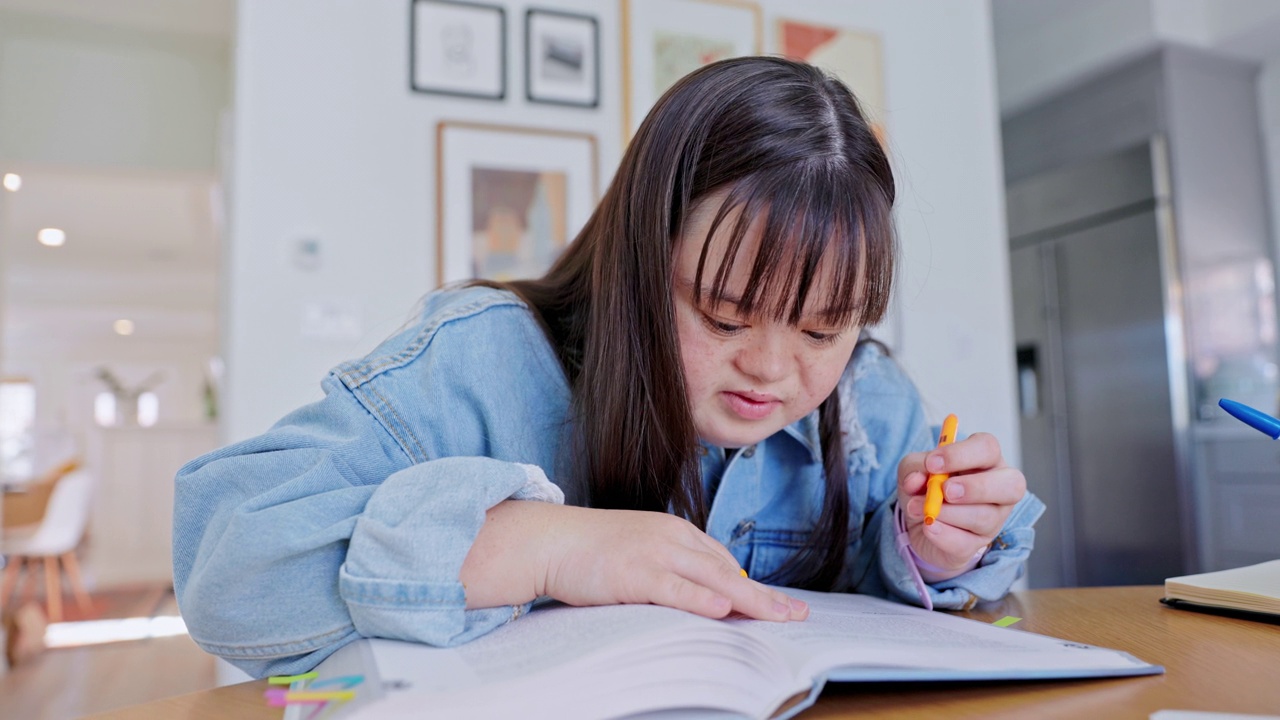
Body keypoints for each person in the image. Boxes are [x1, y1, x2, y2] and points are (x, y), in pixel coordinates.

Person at [173, 56, 1043, 678]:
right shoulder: (487, 361)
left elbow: (908, 580)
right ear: (637, 260)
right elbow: (229, 576)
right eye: (724, 312)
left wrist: (931, 547)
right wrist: (536, 545)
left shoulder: (865, 401)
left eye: (824, 329)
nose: (774, 367)